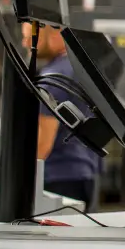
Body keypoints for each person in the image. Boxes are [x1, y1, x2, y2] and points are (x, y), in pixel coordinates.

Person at [23, 22, 103, 207]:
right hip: (84, 171)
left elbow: (42, 144)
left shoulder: (52, 78)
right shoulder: (80, 69)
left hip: (57, 177)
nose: (26, 44)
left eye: (33, 38)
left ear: (55, 36)